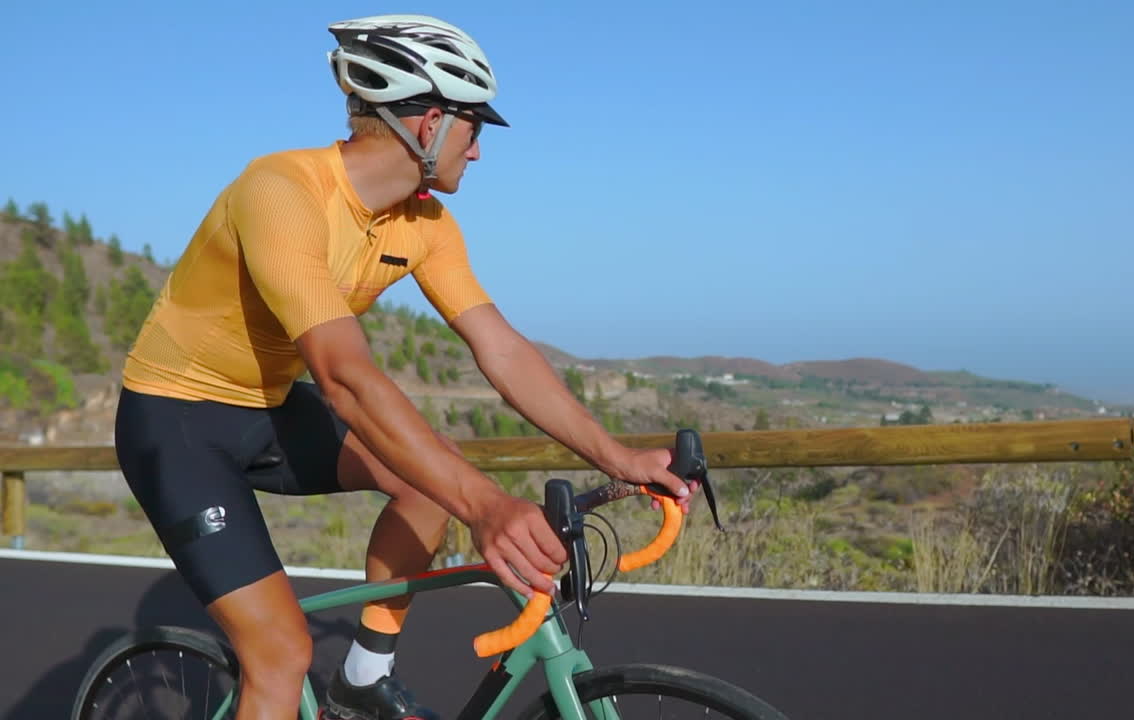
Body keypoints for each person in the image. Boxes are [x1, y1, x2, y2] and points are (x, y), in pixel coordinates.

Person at [113, 14, 697, 720]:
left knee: (430, 476)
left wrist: (618, 455)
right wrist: (486, 506)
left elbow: (501, 349)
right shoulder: (281, 191)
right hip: (177, 422)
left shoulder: (427, 226)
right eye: (476, 127)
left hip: (269, 407)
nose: (477, 152)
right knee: (279, 654)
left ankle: (362, 676)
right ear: (431, 124)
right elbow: (344, 375)